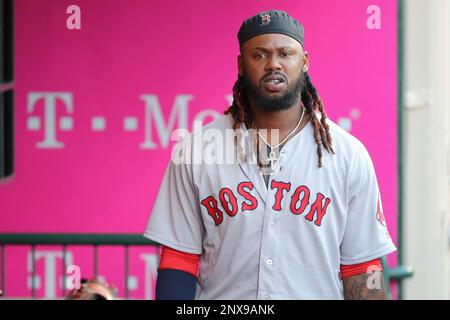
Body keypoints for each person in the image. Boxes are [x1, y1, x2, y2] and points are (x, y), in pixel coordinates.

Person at [144, 9, 396, 300]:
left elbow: (364, 267)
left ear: (304, 62)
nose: (273, 64)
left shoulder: (347, 154)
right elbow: (179, 259)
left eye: (285, 53)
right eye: (259, 55)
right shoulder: (197, 149)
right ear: (241, 64)